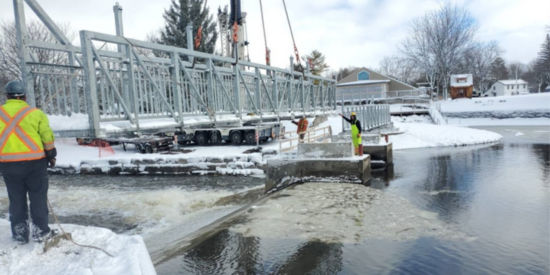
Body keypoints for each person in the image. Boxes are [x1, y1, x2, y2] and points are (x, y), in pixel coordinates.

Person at [0, 81, 57, 244]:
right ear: (24, 96)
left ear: (7, 96)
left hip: (7, 165)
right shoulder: (35, 113)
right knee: (38, 198)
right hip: (35, 164)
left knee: (16, 199)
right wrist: (51, 155)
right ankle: (41, 233)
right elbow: (46, 137)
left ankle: (19, 234)